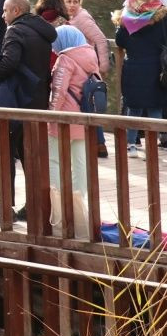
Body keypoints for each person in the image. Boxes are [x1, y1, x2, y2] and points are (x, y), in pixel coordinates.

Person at [0, 0, 57, 225]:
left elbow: (10, 61)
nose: (3, 16)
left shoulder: (15, 30)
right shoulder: (42, 31)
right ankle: (34, 204)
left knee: (5, 153)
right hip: (37, 100)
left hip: (16, 101)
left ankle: (6, 207)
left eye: (5, 11)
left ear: (16, 11)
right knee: (30, 154)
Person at [47, 25, 98, 237]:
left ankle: (62, 208)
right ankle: (80, 207)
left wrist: (50, 115)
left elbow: (58, 91)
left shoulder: (65, 59)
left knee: (55, 161)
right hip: (83, 117)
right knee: (80, 163)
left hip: (64, 119)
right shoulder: (90, 55)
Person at [113, 0, 167, 156]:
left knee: (133, 107)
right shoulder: (161, 18)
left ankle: (131, 145)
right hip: (155, 68)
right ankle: (152, 145)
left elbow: (120, 42)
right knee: (155, 108)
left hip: (133, 68)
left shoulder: (125, 20)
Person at [62, 0, 111, 157]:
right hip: (74, 67)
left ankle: (99, 144)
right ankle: (89, 142)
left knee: (89, 103)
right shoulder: (68, 18)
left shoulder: (82, 18)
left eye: (75, 1)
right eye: (68, 1)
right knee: (81, 103)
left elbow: (101, 40)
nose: (72, 5)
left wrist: (103, 66)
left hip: (87, 68)